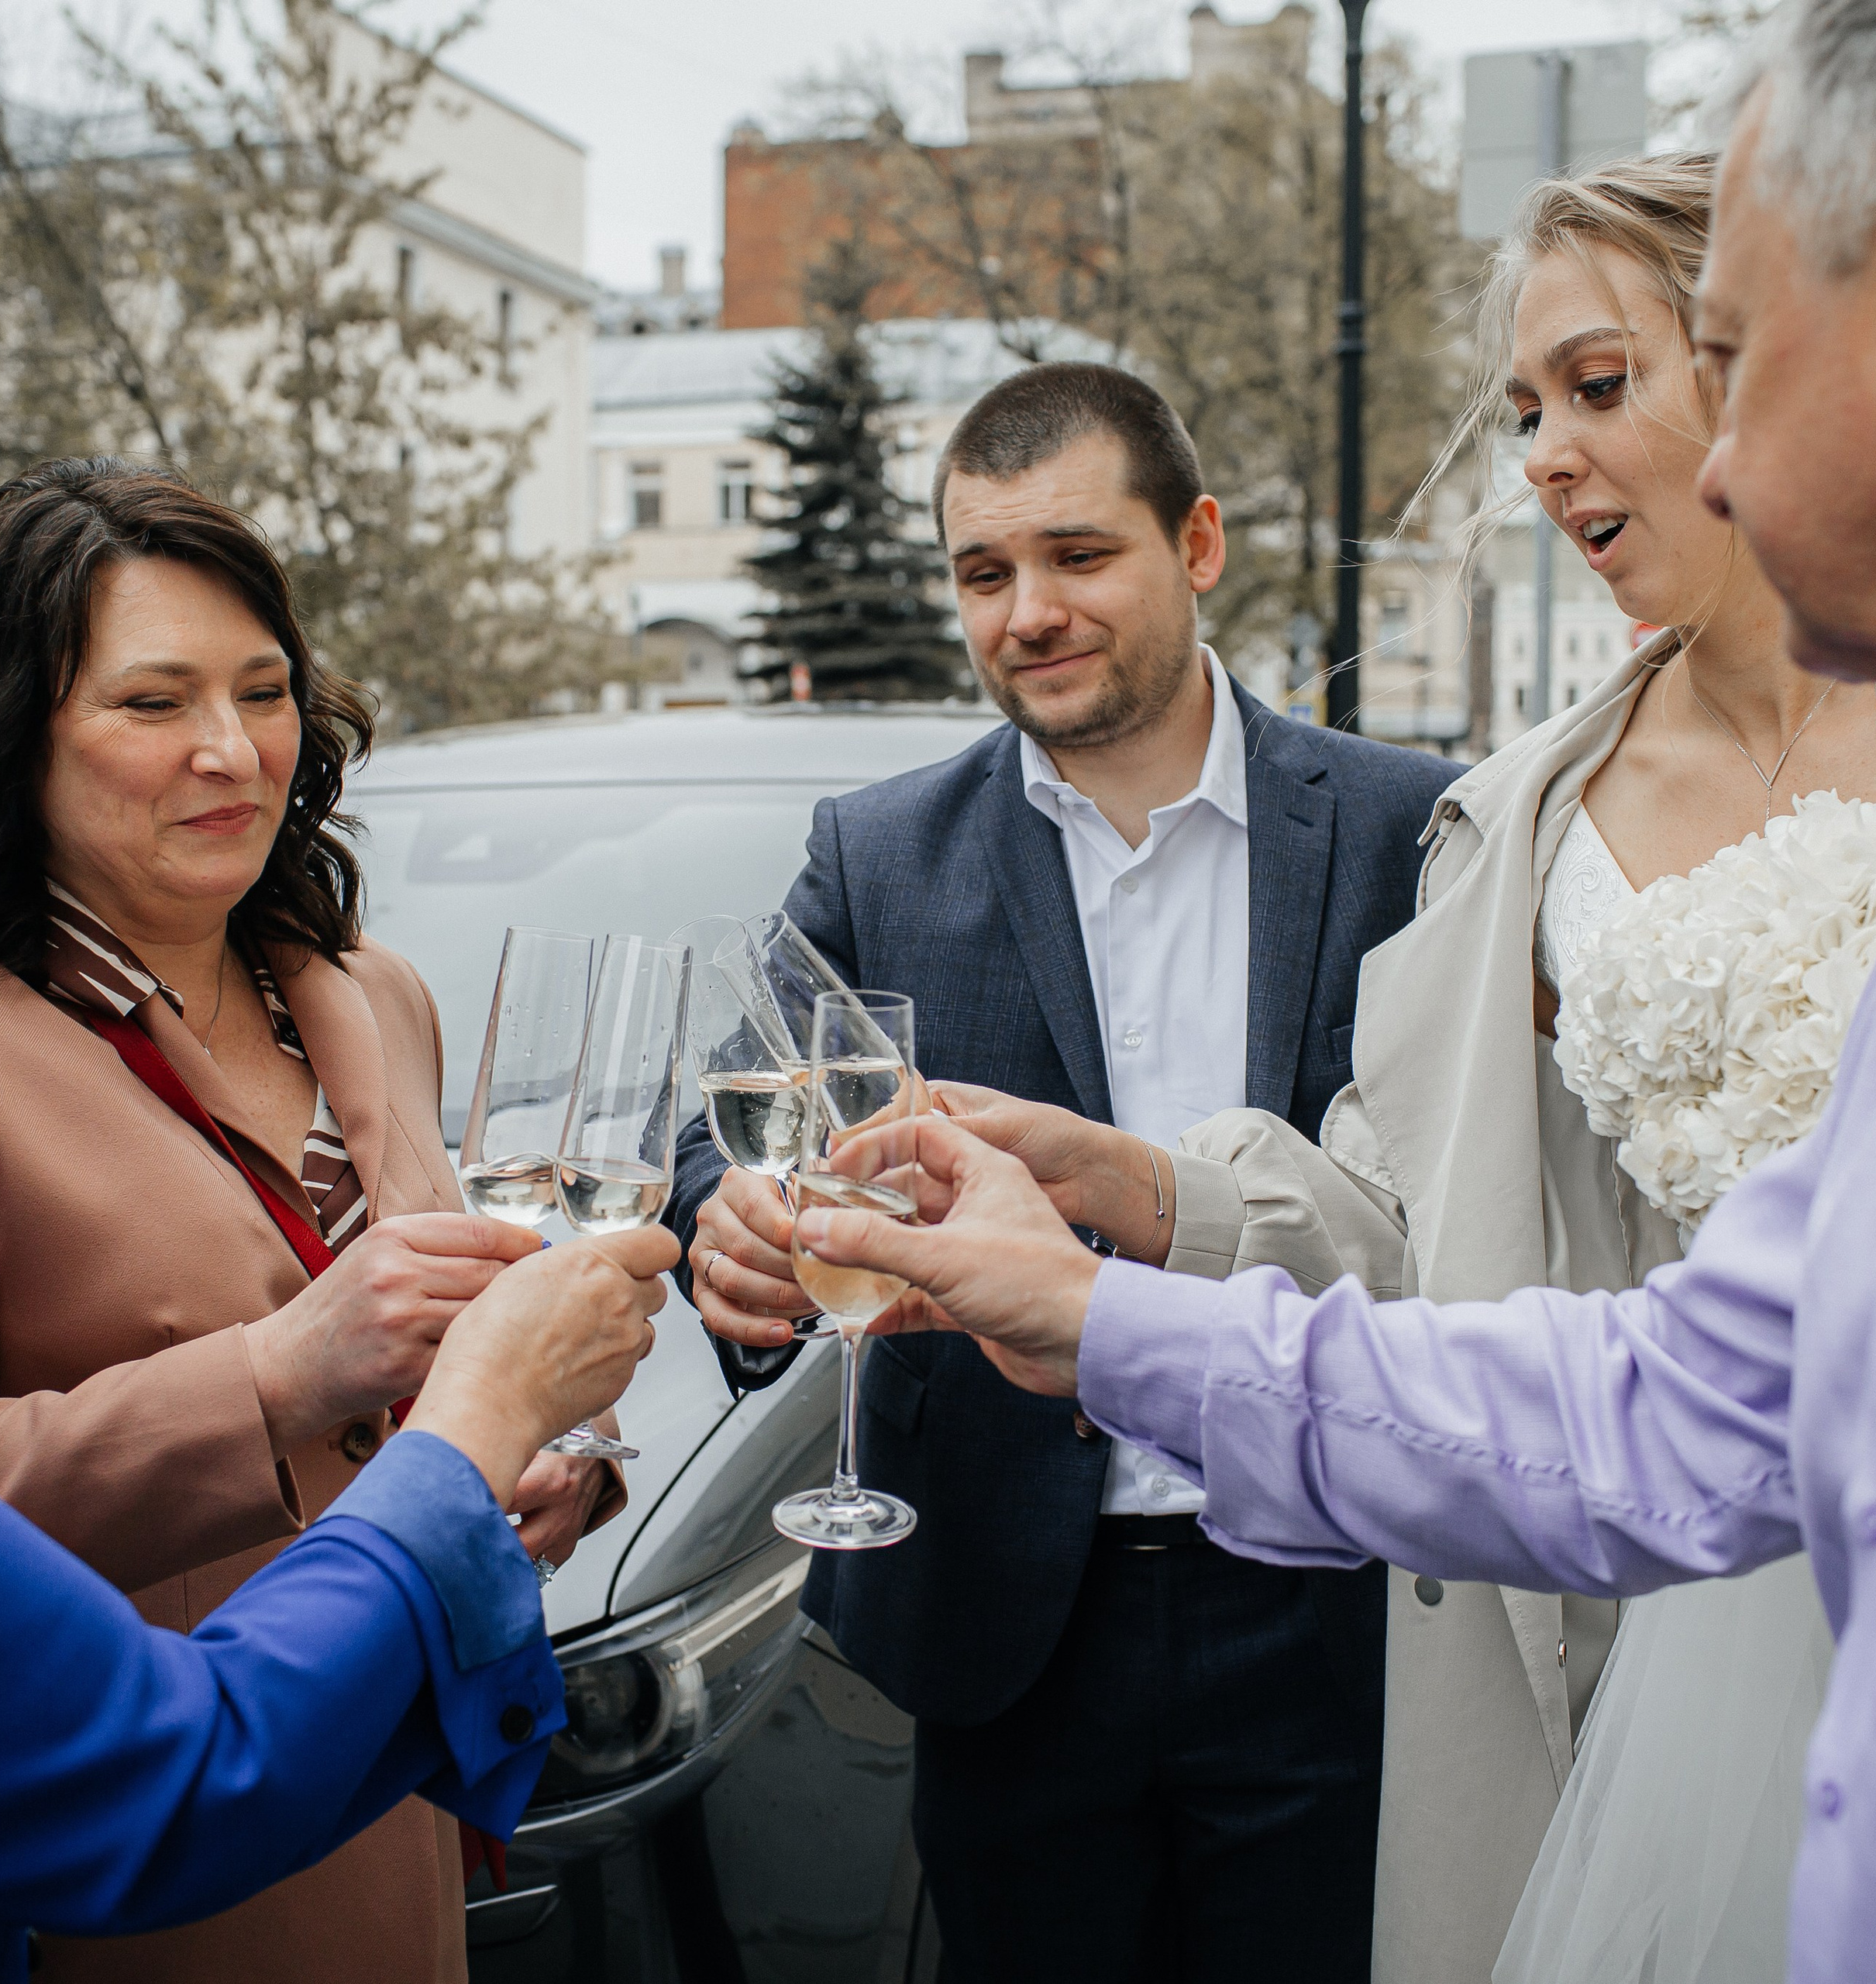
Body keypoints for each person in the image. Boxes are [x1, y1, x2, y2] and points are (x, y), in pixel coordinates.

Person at [788, 13, 1876, 1980]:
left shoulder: (1388, 813)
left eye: (1600, 383)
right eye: (1522, 401)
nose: (1541, 454)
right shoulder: (1518, 823)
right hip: (1663, 1581)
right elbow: (1433, 1237)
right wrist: (1113, 1198)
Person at [670, 362, 1454, 1981]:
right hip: (1007, 1614)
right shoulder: (875, 848)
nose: (1025, 609)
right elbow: (730, 1122)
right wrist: (728, 1230)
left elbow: (1455, 1202)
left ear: (1201, 543)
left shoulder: (1405, 827)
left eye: (1078, 555)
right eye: (980, 571)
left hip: (1326, 1589)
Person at [0, 457, 619, 1982]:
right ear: (11, 734)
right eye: (154, 702)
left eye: (263, 688)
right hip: (134, 1852)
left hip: (385, 1799)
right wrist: (280, 1372)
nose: (230, 750)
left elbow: (431, 1361)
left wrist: (513, 1463)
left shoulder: (371, 990)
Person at [0, 1227, 673, 1983]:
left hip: (395, 1851)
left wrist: (553, 1403)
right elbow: (168, 1779)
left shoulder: (394, 1086)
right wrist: (483, 1419)